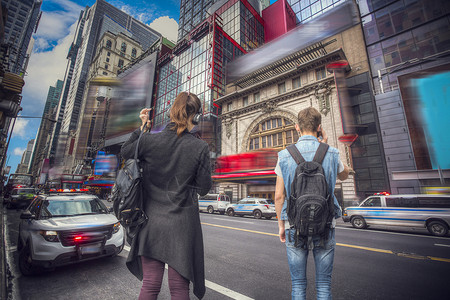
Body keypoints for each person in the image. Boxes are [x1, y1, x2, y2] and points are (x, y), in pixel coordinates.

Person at [121, 91, 212, 300]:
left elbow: (126, 151)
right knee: (179, 289)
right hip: (182, 226)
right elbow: (204, 188)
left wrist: (142, 129)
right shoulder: (200, 147)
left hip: (150, 224)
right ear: (194, 116)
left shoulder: (149, 142)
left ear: (172, 112)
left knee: (150, 285)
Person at [274, 107, 350, 300]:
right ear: (319, 127)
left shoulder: (284, 155)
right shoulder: (331, 153)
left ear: (297, 127)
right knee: (324, 286)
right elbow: (345, 174)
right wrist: (327, 145)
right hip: (325, 225)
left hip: (294, 224)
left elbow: (278, 196)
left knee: (298, 285)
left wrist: (281, 225)